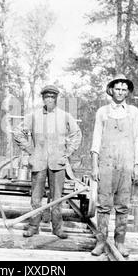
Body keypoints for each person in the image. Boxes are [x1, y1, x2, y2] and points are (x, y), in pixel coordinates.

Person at [13, 85, 82, 239]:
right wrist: (30, 150)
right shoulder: (34, 116)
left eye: (52, 96)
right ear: (43, 98)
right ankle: (33, 227)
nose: (49, 99)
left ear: (56, 98)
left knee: (57, 198)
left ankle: (57, 228)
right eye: (47, 96)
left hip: (58, 163)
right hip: (38, 161)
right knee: (36, 198)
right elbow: (18, 132)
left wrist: (68, 152)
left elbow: (76, 134)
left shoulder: (64, 116)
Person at [90, 74, 138, 257]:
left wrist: (137, 165)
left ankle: (120, 241)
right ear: (111, 90)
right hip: (106, 163)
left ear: (127, 92)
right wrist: (95, 165)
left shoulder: (133, 112)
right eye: (117, 88)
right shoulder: (102, 112)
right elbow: (96, 138)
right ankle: (101, 241)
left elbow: (137, 139)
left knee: (123, 205)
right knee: (104, 205)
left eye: (124, 89)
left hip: (126, 164)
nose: (120, 92)